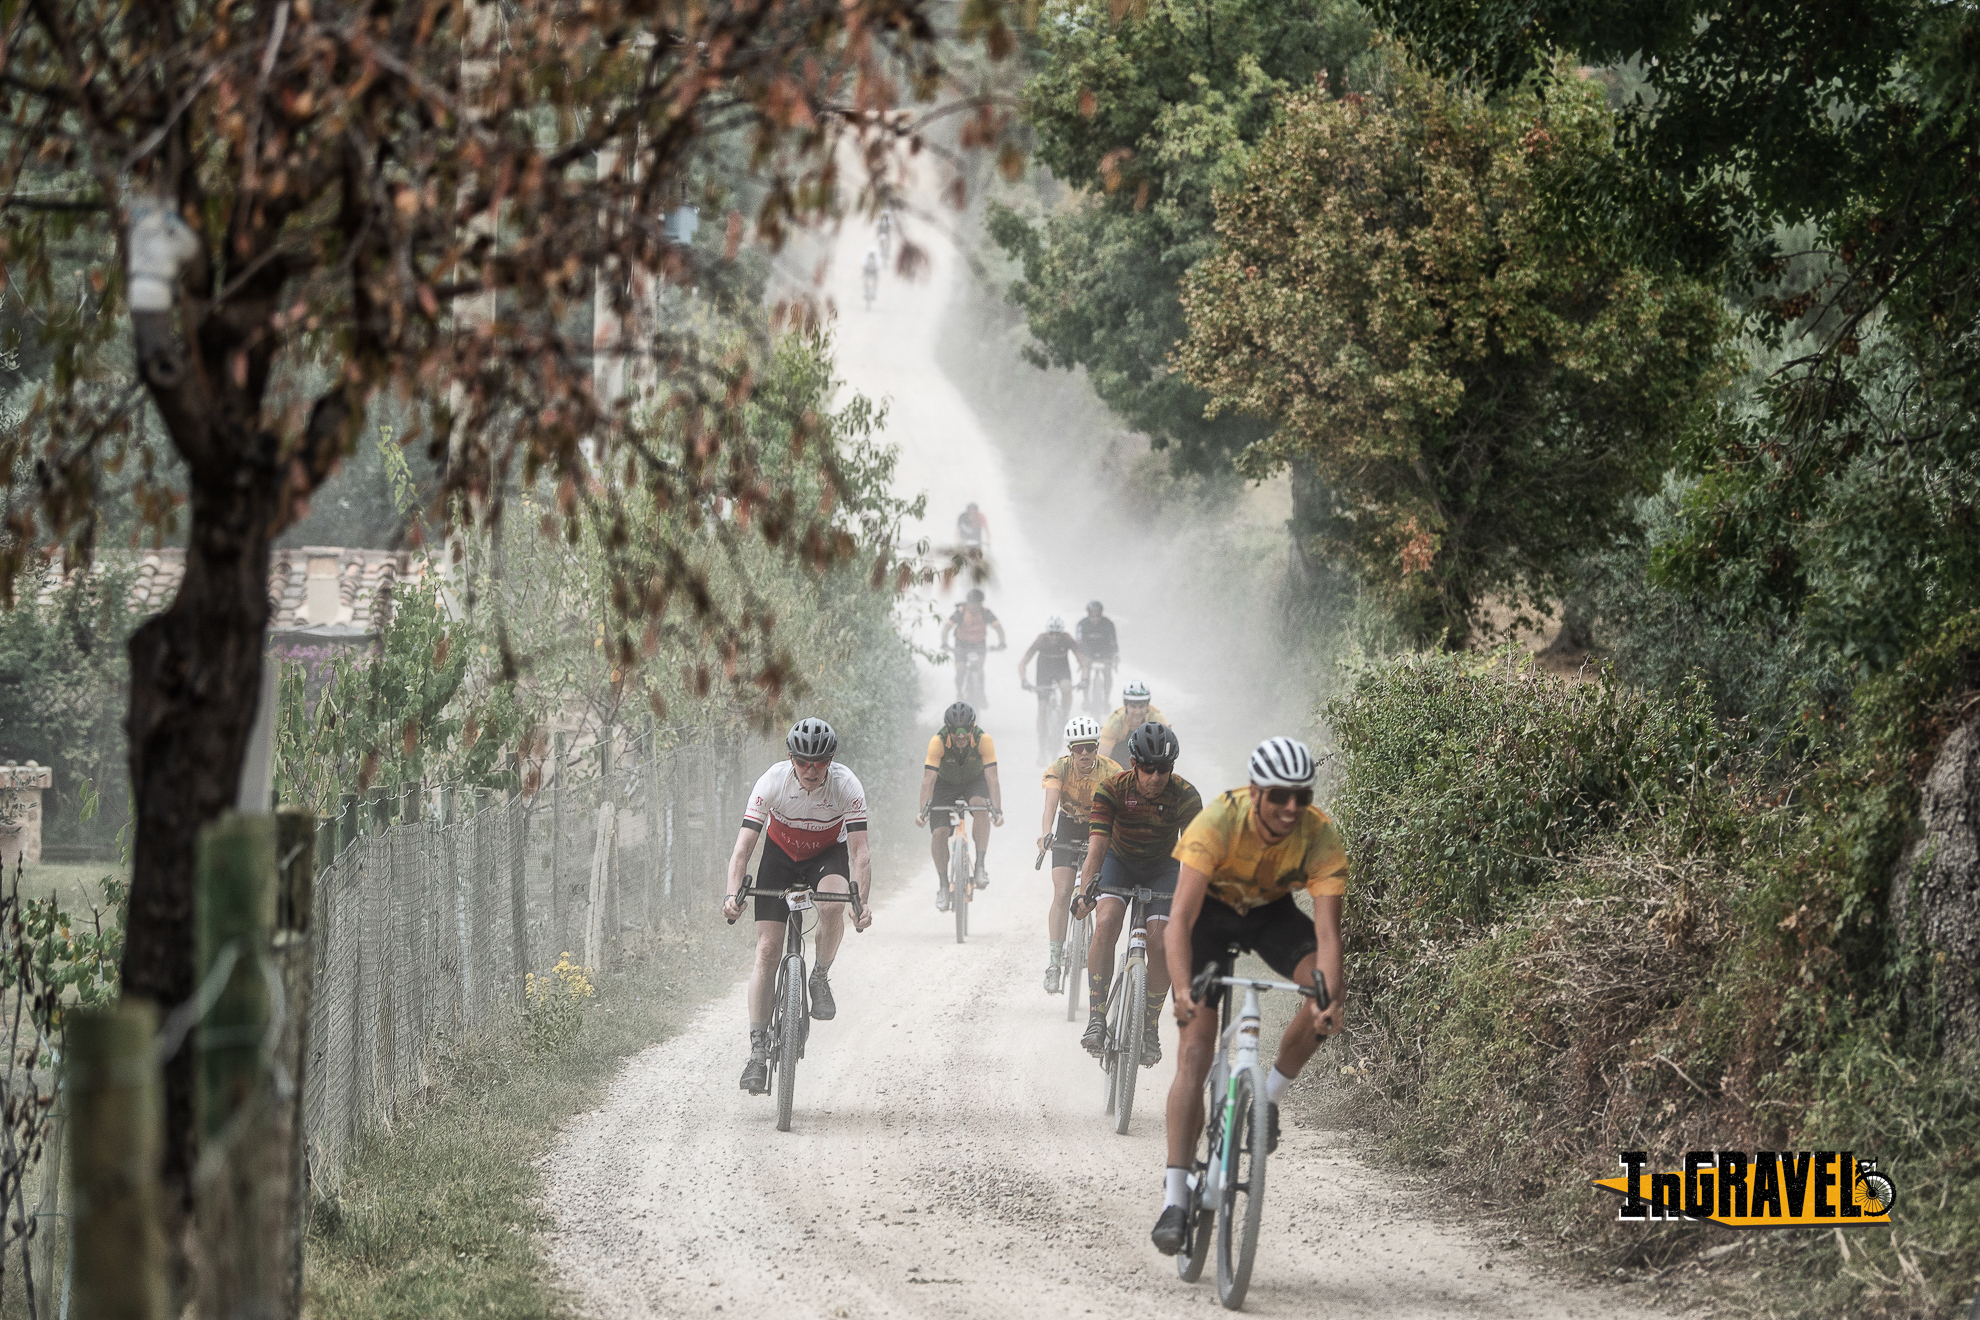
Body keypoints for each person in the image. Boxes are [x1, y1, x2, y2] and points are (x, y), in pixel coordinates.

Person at [1149, 736, 1346, 1255]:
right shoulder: (1216, 822)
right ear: (1256, 790)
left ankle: (1269, 1100)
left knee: (1327, 987)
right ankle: (1174, 1199)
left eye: (1301, 797)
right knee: (1194, 1050)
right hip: (1208, 920)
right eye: (1280, 795)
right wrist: (1182, 992)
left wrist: (1328, 1000)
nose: (1290, 808)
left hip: (1270, 917)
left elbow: (1327, 936)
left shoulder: (1319, 834)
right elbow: (1179, 922)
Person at [722, 718, 875, 1095]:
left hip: (826, 855)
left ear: (831, 760)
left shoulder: (847, 785)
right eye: (803, 761)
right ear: (791, 758)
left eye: (819, 762)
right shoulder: (772, 781)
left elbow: (860, 854)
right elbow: (743, 848)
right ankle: (758, 1052)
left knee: (831, 907)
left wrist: (862, 903)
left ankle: (819, 975)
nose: (810, 770)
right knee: (768, 949)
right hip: (780, 856)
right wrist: (730, 895)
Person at [1071, 721, 1200, 1068]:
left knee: (1160, 942)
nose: (1156, 776)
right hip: (1118, 861)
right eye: (1148, 768)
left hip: (1163, 868)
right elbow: (1096, 849)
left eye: (1164, 769)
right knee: (1108, 920)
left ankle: (1149, 1027)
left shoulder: (1186, 795)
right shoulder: (1111, 790)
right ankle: (1097, 1016)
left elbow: (1195, 858)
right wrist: (1086, 893)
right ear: (1133, 764)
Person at [1037, 716, 1120, 992]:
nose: (1084, 754)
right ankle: (1053, 961)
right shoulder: (1059, 768)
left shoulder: (1112, 770)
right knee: (1061, 892)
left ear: (1097, 747)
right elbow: (1050, 806)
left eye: (1090, 747)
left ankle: (1095, 952)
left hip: (1098, 828)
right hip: (1068, 826)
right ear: (1070, 750)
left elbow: (1120, 811)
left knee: (1095, 893)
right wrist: (1046, 834)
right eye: (1078, 748)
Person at [917, 701, 1005, 905]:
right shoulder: (937, 742)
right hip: (944, 785)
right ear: (948, 729)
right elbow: (928, 780)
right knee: (939, 833)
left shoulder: (984, 740)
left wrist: (997, 810)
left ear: (972, 727)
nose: (961, 735)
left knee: (980, 805)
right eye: (955, 730)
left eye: (966, 729)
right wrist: (923, 812)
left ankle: (980, 865)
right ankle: (942, 885)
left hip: (974, 782)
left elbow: (992, 779)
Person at [1018, 615, 1084, 764]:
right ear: (1048, 633)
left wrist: (1084, 678)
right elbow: (1023, 662)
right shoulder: (1041, 640)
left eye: (1057, 634)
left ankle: (1065, 715)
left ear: (1061, 633)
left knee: (1066, 688)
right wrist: (1024, 680)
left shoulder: (1067, 638)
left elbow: (1081, 657)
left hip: (1062, 671)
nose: (1054, 637)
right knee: (1042, 709)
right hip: (1044, 673)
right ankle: (1042, 751)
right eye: (1051, 634)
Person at [939, 588, 1006, 704]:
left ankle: (982, 694)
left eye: (977, 604)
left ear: (981, 604)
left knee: (979, 668)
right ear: (968, 603)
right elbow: (946, 628)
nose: (974, 607)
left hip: (979, 644)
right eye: (972, 604)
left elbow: (998, 628)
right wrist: (944, 643)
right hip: (961, 644)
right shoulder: (960, 612)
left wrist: (1002, 642)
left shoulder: (986, 612)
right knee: (960, 670)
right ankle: (959, 693)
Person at [1097, 679, 1169, 766]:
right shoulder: (1115, 722)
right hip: (1118, 765)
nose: (1137, 712)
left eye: (1142, 706)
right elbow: (1103, 760)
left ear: (1148, 705)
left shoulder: (1157, 720)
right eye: (1133, 706)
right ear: (1125, 705)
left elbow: (1165, 756)